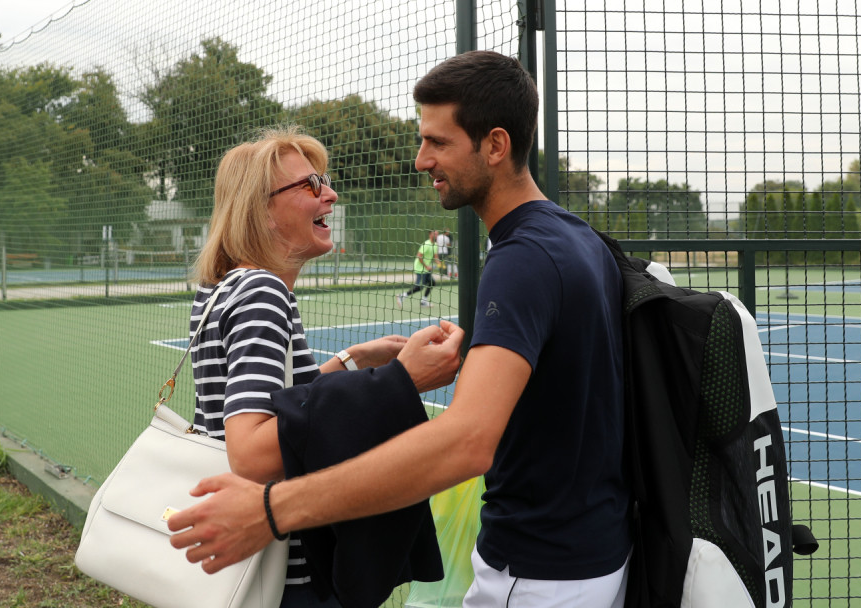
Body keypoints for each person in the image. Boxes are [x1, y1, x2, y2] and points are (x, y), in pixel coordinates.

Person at [169, 51, 631, 608]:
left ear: (495, 145)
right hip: (589, 548)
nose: (419, 160)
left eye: (437, 142)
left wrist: (275, 507)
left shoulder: (521, 260)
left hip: (537, 567)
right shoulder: (581, 239)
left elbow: (465, 441)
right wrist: (373, 373)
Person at [188, 126, 462, 607]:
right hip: (283, 575)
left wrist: (353, 359)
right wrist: (399, 381)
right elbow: (250, 453)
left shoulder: (225, 287)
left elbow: (284, 409)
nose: (331, 194)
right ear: (263, 211)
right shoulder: (263, 293)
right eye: (311, 185)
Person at [395, 229, 439, 308]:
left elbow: (436, 257)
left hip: (426, 269)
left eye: (437, 234)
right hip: (420, 268)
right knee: (419, 287)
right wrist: (427, 266)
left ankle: (423, 302)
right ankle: (402, 296)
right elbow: (419, 256)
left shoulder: (435, 245)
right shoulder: (426, 244)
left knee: (432, 283)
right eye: (434, 234)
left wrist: (440, 264)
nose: (436, 236)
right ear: (430, 234)